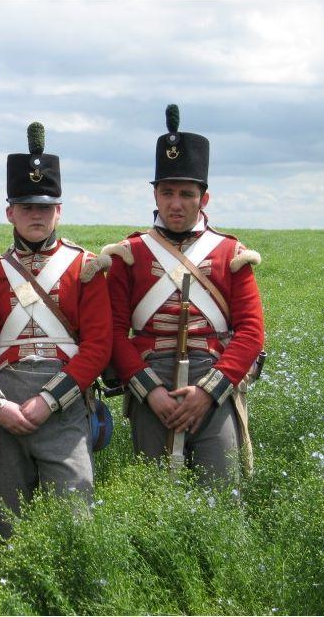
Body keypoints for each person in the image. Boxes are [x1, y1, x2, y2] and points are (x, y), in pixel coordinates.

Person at [0, 122, 112, 539]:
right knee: (5, 528)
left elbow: (97, 346)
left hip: (65, 404)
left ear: (59, 210)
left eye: (44, 206)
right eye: (26, 207)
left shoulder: (85, 267)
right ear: (10, 212)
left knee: (74, 524)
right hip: (5, 405)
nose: (36, 215)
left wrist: (48, 400)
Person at [104, 104, 265, 484]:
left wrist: (209, 392)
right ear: (156, 195)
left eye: (187, 194)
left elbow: (251, 333)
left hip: (214, 378)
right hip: (150, 379)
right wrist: (151, 391)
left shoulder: (230, 254)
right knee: (157, 493)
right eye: (168, 192)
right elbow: (112, 332)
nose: (176, 203)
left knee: (222, 490)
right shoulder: (130, 254)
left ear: (203, 198)